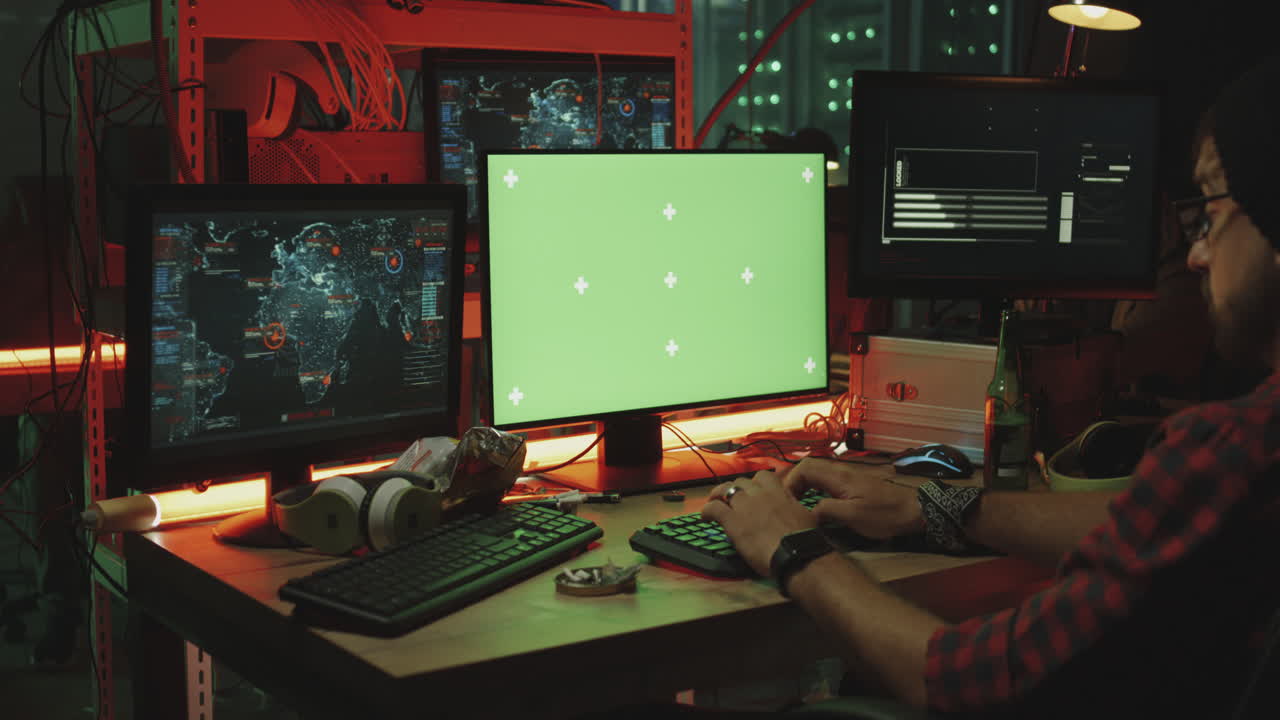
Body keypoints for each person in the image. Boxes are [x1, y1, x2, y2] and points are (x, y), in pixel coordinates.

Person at [701, 57, 1280, 718]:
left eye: (1212, 214)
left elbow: (965, 683)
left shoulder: (1237, 447)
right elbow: (1151, 528)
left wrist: (793, 547)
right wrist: (938, 505)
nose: (1198, 252)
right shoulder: (1239, 471)